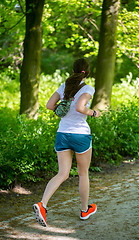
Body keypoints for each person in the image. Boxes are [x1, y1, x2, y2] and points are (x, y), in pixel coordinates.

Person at [33, 58, 100, 227]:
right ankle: (85, 210)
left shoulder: (64, 86)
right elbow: (80, 107)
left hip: (62, 133)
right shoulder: (87, 88)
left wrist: (62, 109)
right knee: (83, 174)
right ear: (87, 72)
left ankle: (42, 204)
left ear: (73, 70)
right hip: (80, 135)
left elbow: (49, 105)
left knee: (62, 174)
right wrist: (93, 113)